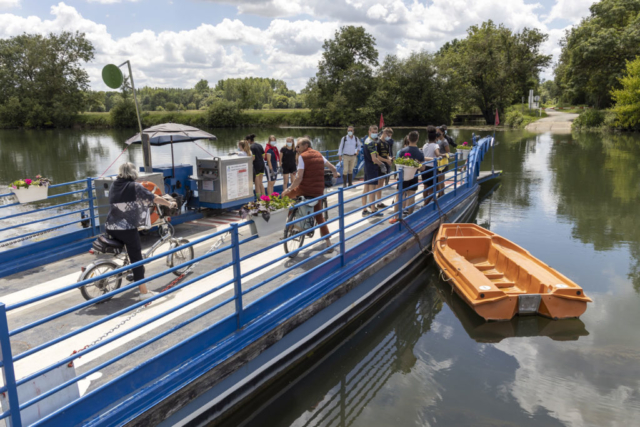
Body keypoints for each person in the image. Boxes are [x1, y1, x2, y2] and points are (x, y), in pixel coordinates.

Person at [105, 162, 176, 301]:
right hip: (126, 228)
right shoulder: (135, 186)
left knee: (130, 252)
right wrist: (169, 203)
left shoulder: (115, 184)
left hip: (110, 226)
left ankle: (131, 271)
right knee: (137, 259)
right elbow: (153, 198)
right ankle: (143, 292)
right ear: (133, 173)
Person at [282, 137, 340, 252]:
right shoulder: (319, 154)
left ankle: (291, 225)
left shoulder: (303, 157)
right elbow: (333, 167)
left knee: (286, 197)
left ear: (305, 146)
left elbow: (299, 178)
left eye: (298, 146)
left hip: (304, 189)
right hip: (318, 191)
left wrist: (288, 189)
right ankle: (328, 243)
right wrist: (335, 174)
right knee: (319, 215)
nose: (297, 148)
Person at [389, 131, 425, 224]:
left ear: (408, 139)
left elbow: (398, 164)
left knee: (398, 196)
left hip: (403, 177)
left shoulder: (402, 151)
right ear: (417, 139)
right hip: (413, 175)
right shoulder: (420, 153)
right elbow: (423, 168)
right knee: (411, 196)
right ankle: (410, 216)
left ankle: (395, 217)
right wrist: (416, 164)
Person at [361, 125, 385, 217]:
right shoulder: (371, 143)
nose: (375, 134)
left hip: (367, 167)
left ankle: (364, 209)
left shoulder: (366, 141)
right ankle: (373, 210)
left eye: (376, 132)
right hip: (372, 168)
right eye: (373, 132)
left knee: (366, 189)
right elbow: (374, 158)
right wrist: (382, 164)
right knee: (372, 190)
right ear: (369, 132)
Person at [422, 126, 442, 206]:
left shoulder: (425, 145)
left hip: (424, 167)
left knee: (425, 186)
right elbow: (437, 154)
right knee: (434, 188)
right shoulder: (435, 146)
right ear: (435, 138)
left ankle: (425, 202)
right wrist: (442, 155)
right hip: (431, 168)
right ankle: (426, 204)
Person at [373, 127, 392, 208]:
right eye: (388, 135)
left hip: (385, 165)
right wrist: (386, 160)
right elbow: (377, 157)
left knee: (382, 184)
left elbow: (387, 154)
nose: (389, 137)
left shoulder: (387, 144)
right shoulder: (377, 143)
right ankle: (374, 202)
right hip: (379, 165)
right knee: (377, 184)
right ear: (384, 133)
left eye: (390, 136)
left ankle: (379, 202)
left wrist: (390, 159)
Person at [247, 134, 266, 198]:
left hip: (256, 165)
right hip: (262, 164)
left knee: (257, 184)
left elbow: (253, 158)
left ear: (249, 140)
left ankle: (259, 199)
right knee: (260, 183)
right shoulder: (259, 145)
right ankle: (264, 198)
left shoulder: (251, 147)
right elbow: (264, 156)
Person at [435, 126, 450, 197]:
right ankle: (440, 193)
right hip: (437, 162)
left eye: (438, 132)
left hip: (442, 163)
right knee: (439, 179)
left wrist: (440, 155)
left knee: (441, 178)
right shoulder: (436, 141)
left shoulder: (444, 141)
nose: (437, 133)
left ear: (442, 133)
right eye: (436, 132)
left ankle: (441, 194)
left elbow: (448, 152)